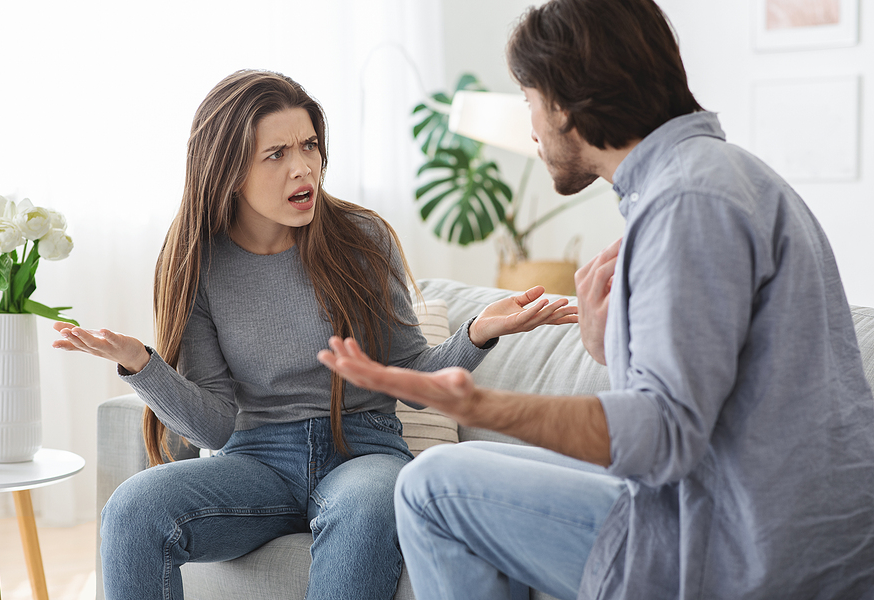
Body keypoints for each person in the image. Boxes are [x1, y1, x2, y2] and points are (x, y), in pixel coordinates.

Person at [317, 1, 874, 598]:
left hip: (745, 548)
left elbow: (662, 435)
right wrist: (611, 347)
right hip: (745, 511)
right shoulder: (719, 175)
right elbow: (702, 393)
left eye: (528, 99)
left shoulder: (688, 203)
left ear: (565, 103)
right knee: (439, 477)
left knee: (431, 487)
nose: (529, 126)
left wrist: (480, 406)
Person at [52, 69, 577, 600]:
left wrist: (479, 332)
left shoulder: (362, 240)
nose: (303, 167)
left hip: (364, 450)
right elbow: (213, 427)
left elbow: (412, 376)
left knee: (369, 505)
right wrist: (144, 366)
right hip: (256, 460)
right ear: (228, 170)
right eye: (276, 154)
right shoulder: (198, 262)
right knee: (132, 510)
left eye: (309, 146)